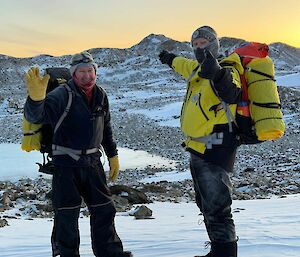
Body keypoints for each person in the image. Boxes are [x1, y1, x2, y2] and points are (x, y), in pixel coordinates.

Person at [24, 51, 132, 257]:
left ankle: (110, 253)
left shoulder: (100, 94)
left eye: (90, 71)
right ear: (74, 73)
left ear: (95, 72)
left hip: (93, 163)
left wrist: (112, 155)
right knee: (67, 215)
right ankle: (67, 254)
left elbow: (106, 127)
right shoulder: (61, 94)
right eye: (82, 71)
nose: (87, 76)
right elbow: (36, 117)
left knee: (104, 209)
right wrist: (36, 99)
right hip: (66, 165)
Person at [159, 26, 241, 257]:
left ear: (214, 44)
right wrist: (169, 58)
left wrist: (216, 73)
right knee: (205, 205)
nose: (198, 48)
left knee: (218, 209)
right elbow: (183, 65)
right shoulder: (196, 68)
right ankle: (218, 250)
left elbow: (232, 92)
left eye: (203, 43)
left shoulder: (226, 67)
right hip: (198, 148)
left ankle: (225, 254)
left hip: (216, 149)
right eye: (195, 45)